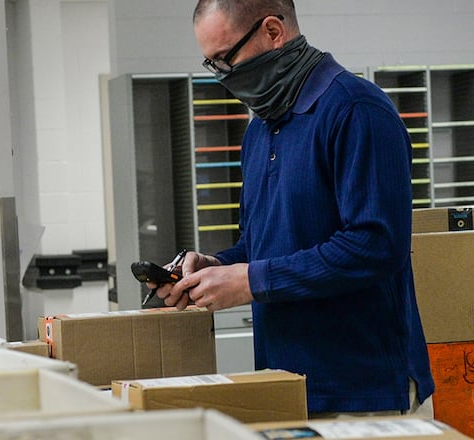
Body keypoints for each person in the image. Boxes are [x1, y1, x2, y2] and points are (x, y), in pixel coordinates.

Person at [151, 0, 435, 417]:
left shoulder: (358, 111)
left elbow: (376, 246)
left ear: (272, 31)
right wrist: (215, 267)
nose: (223, 76)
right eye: (212, 64)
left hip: (365, 394)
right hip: (286, 387)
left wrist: (251, 281)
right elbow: (263, 245)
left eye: (226, 59)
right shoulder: (259, 131)